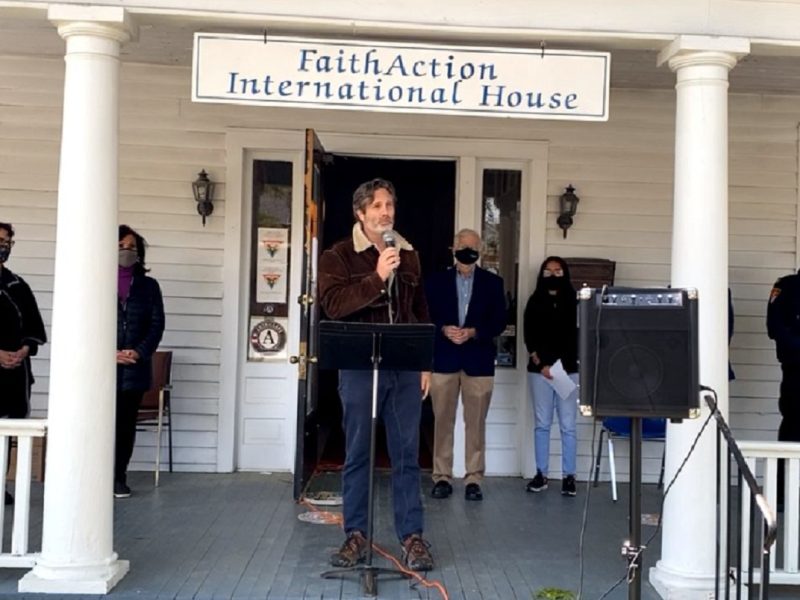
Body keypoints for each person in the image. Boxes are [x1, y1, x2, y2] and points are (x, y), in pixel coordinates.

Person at [318, 178, 434, 571]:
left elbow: (420, 313)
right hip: (360, 369)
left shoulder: (409, 254)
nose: (386, 212)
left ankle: (412, 537)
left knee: (406, 456)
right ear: (360, 213)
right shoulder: (338, 255)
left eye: (390, 205)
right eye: (378, 206)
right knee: (358, 454)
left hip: (403, 368)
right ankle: (357, 535)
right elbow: (333, 306)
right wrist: (377, 277)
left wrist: (424, 364)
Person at [425, 228, 506, 502]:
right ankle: (442, 477)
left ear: (479, 251)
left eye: (473, 247)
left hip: (478, 361)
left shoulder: (493, 284)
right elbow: (425, 315)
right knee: (442, 421)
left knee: (476, 424)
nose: (468, 251)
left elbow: (499, 322)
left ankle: (473, 478)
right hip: (444, 360)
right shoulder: (436, 282)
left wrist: (473, 332)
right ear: (454, 248)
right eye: (463, 246)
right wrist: (444, 329)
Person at [115, 225, 165, 498]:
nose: (126, 251)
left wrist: (138, 351)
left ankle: (118, 477)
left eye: (132, 247)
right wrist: (107, 353)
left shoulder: (148, 286)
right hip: (101, 369)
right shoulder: (94, 280)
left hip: (134, 368)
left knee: (125, 425)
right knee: (99, 425)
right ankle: (95, 477)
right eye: (121, 246)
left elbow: (156, 325)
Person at [523, 256, 579, 497]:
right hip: (540, 371)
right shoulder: (535, 301)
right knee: (542, 424)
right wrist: (541, 363)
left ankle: (569, 476)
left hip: (568, 371)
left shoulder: (575, 302)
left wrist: (566, 366)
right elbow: (529, 335)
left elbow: (579, 336)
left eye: (558, 271)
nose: (554, 275)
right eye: (548, 271)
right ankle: (541, 474)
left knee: (568, 425)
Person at [0, 222, 46, 505]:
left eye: (6, 241)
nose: (2, 245)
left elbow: (34, 326)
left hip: (15, 372)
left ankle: (0, 482)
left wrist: (24, 350)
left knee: (6, 430)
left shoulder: (18, 285)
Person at [767, 269, 800, 444]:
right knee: (795, 422)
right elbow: (775, 327)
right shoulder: (788, 286)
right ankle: (787, 472)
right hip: (796, 368)